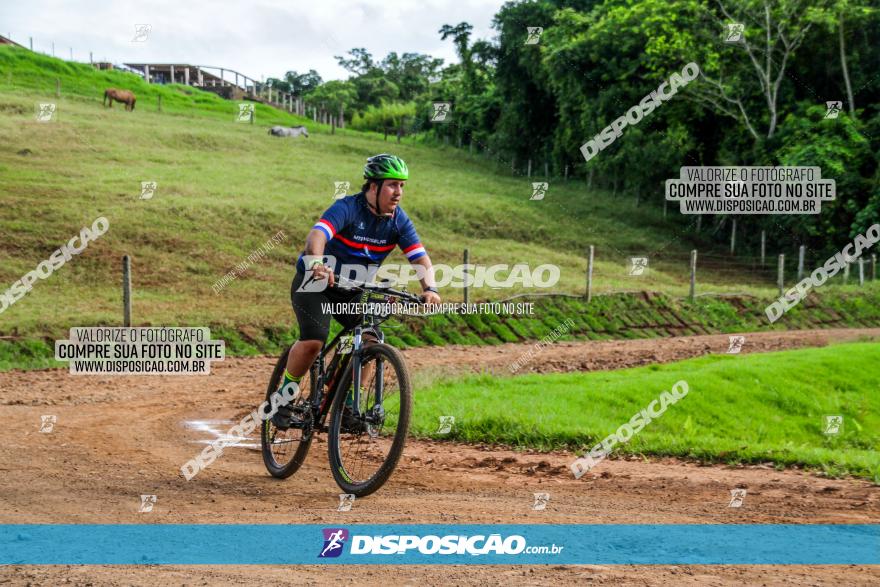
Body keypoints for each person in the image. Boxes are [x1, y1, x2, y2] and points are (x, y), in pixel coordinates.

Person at [272, 154, 441, 428]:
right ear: (373, 187)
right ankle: (284, 398)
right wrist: (317, 263)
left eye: (402, 186)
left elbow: (419, 258)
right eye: (392, 185)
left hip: (353, 288)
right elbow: (317, 236)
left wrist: (430, 288)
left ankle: (350, 405)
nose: (398, 192)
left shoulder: (399, 221)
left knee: (370, 339)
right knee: (315, 340)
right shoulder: (348, 207)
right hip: (316, 282)